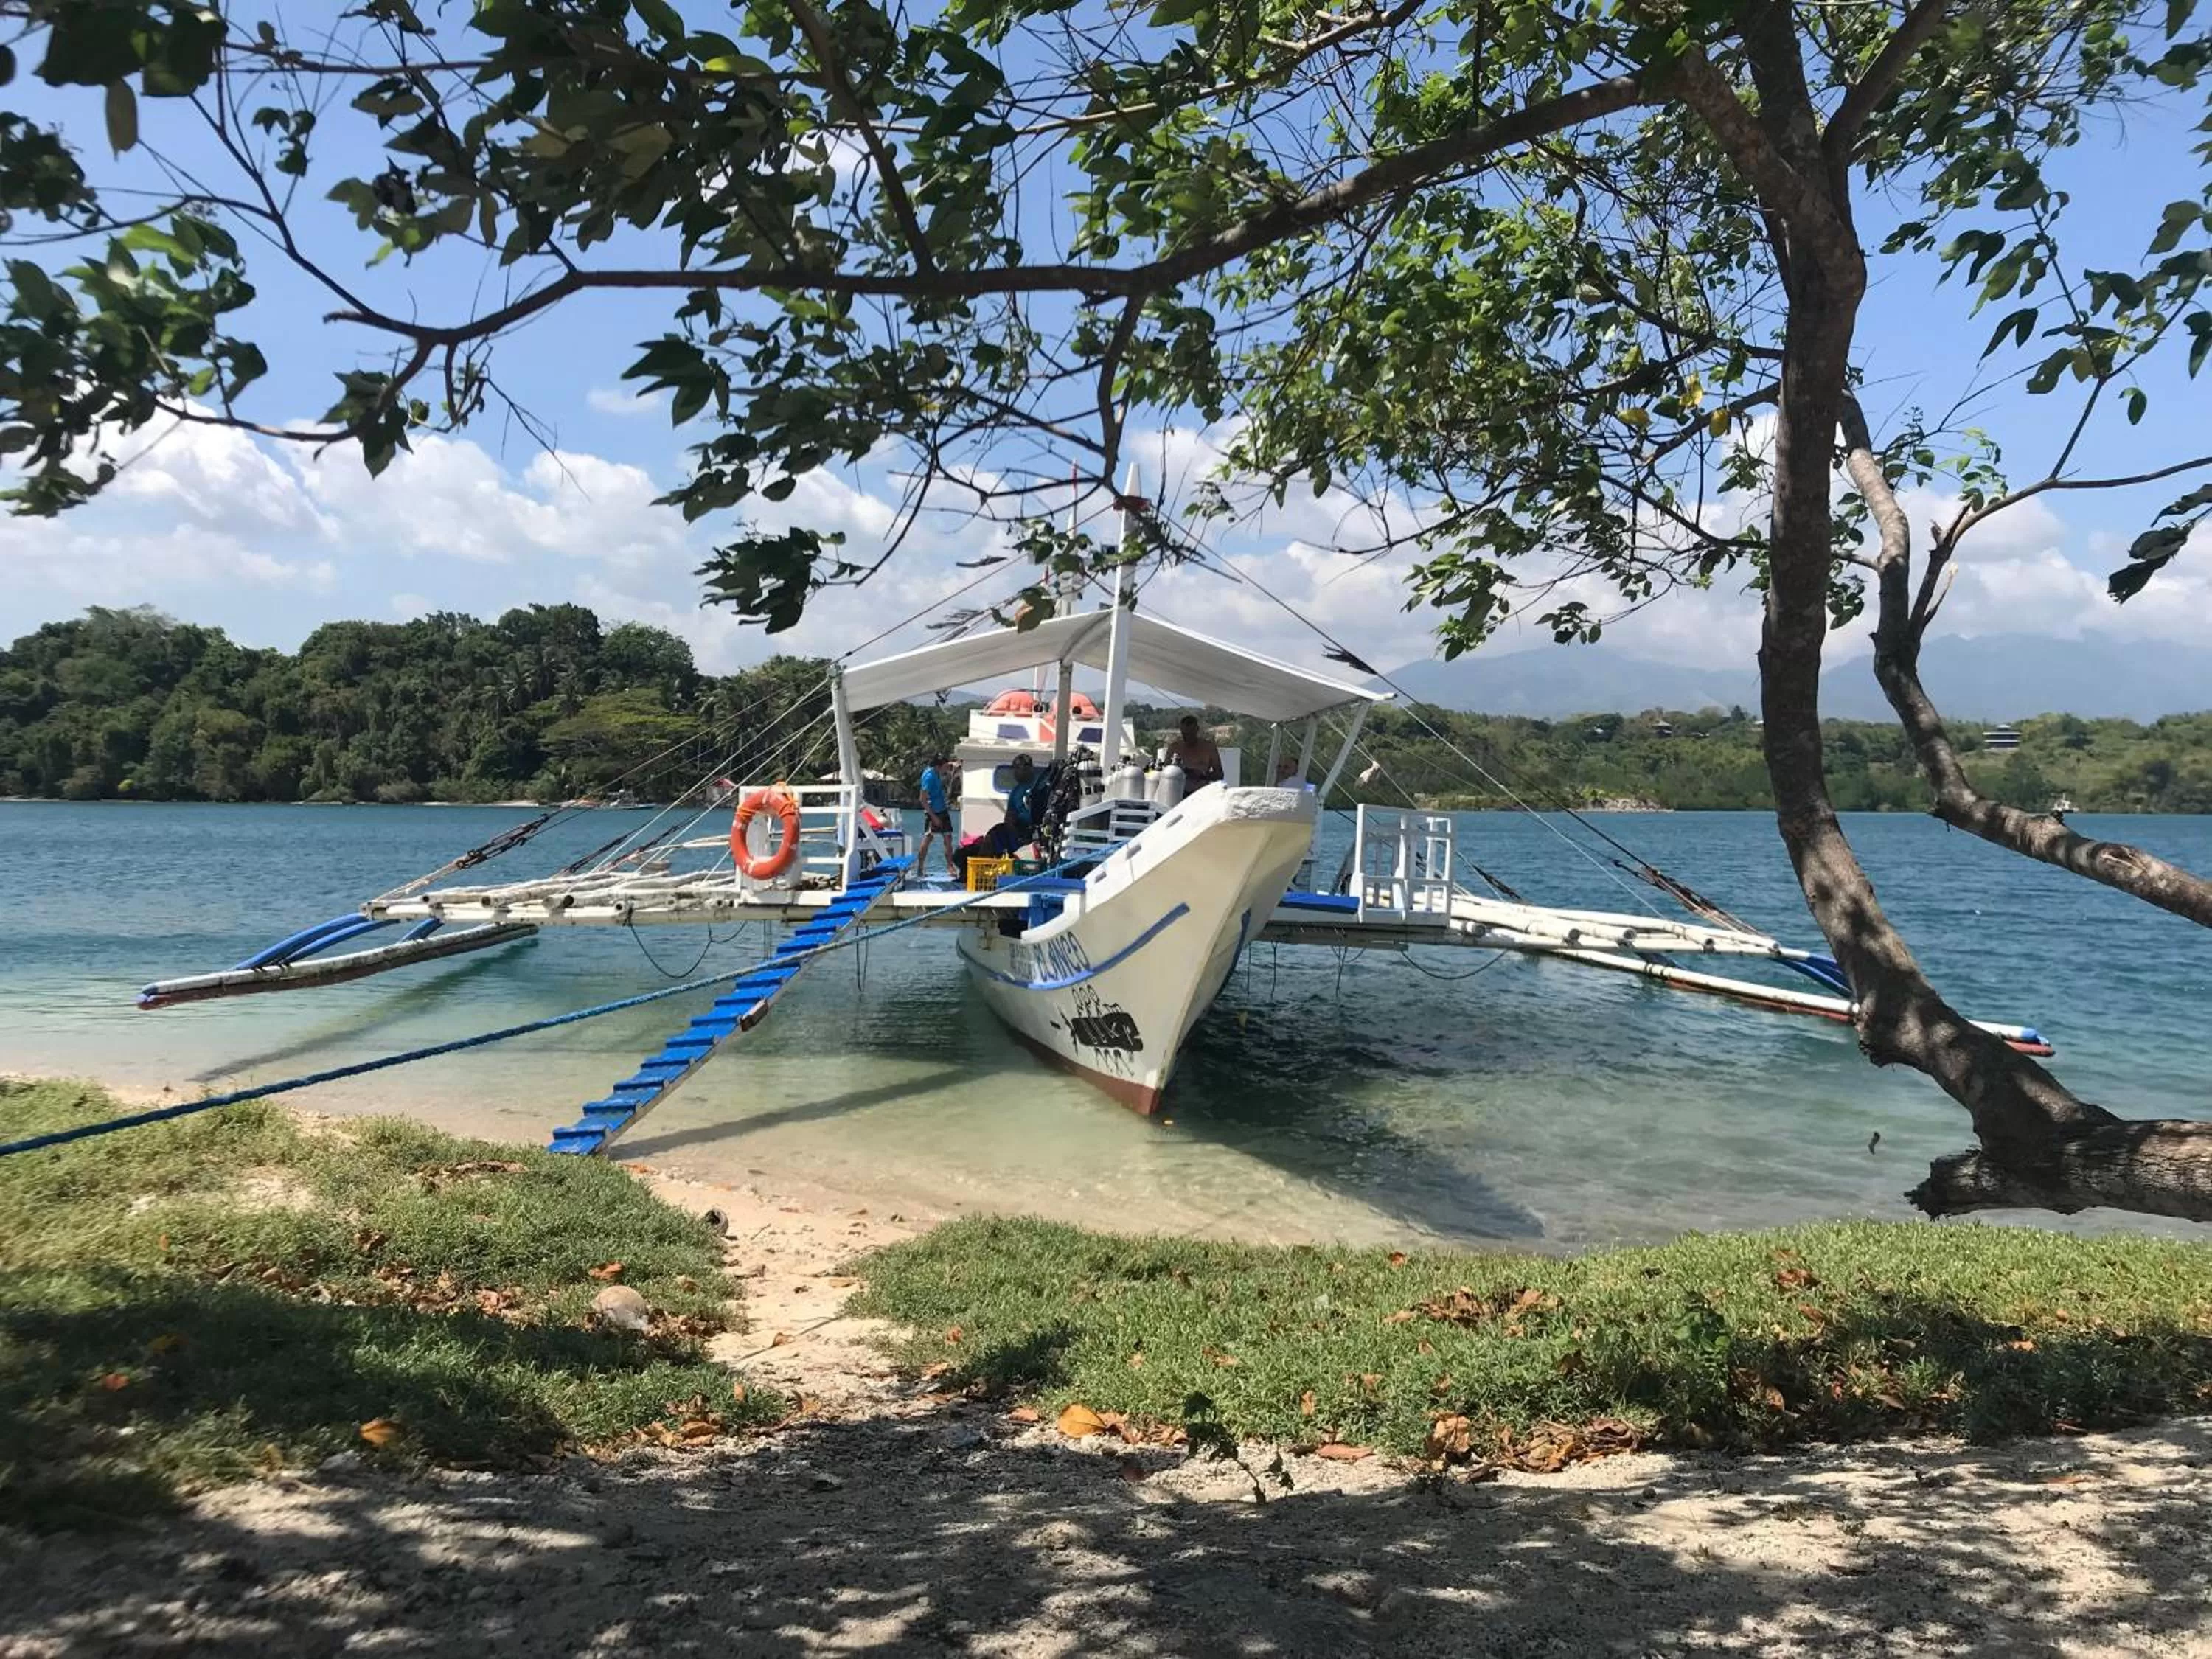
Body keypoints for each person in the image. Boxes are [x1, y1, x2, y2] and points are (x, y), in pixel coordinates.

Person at [916, 754, 958, 880]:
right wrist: (933, 817)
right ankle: (920, 868)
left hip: (942, 809)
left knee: (948, 837)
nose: (947, 769)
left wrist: (954, 764)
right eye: (945, 767)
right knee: (928, 838)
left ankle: (950, 867)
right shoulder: (929, 776)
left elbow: (949, 765)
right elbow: (922, 800)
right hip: (933, 811)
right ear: (938, 766)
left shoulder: (936, 771)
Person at [1166, 714, 1225, 789]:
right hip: (1178, 792)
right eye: (1184, 734)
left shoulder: (1209, 748)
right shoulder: (1174, 748)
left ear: (1197, 730)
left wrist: (1202, 775)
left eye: (1191, 734)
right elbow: (1165, 772)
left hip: (1200, 792)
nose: (1188, 737)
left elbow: (1220, 774)